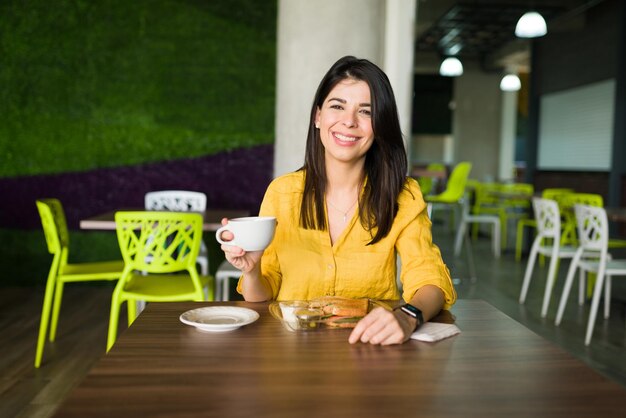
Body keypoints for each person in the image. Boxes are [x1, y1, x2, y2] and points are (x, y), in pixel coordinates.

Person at [220, 55, 456, 345]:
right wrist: (253, 270)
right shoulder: (282, 193)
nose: (349, 121)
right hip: (290, 353)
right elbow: (261, 295)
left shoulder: (402, 195)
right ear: (318, 116)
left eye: (366, 112)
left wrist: (407, 317)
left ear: (380, 125)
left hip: (371, 351)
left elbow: (429, 279)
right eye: (337, 106)